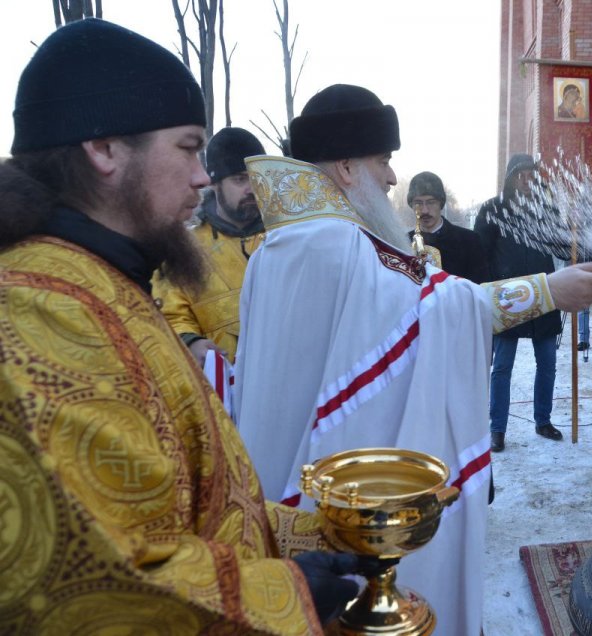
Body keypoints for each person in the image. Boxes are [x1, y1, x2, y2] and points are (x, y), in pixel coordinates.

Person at [0, 19, 361, 634]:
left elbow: (189, 497)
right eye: (189, 147)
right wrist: (291, 592)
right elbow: (96, 580)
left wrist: (313, 534)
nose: (202, 175)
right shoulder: (43, 310)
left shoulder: (105, 281)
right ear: (105, 148)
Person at [232, 85, 592, 636]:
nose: (392, 179)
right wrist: (550, 290)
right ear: (344, 165)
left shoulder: (274, 249)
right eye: (383, 160)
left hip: (276, 493)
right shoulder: (340, 248)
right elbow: (436, 312)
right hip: (334, 512)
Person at [474, 153, 572, 451]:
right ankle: (497, 429)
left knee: (548, 363)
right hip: (508, 297)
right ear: (510, 178)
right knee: (502, 366)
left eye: (531, 175)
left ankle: (543, 421)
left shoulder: (545, 208)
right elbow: (480, 251)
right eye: (521, 175)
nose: (527, 181)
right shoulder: (493, 209)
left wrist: (572, 232)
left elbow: (563, 248)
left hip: (543, 293)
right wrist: (492, 290)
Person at [154, 126, 265, 364]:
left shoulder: (284, 236)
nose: (251, 190)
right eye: (239, 179)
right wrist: (190, 342)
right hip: (224, 390)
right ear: (214, 183)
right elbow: (170, 312)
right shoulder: (185, 249)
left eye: (256, 178)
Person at [406, 170, 488, 283]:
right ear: (412, 205)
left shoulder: (469, 241)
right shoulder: (403, 243)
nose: (424, 210)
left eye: (431, 202)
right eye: (418, 203)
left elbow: (478, 288)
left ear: (441, 203)